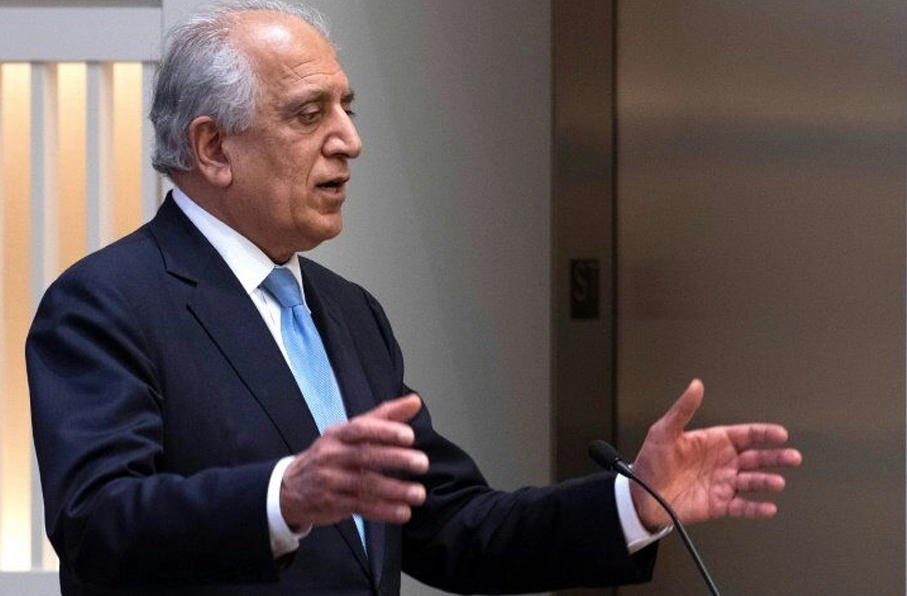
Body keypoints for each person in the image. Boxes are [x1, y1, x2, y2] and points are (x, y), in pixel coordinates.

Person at [26, 1, 802, 595]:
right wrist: (283, 497)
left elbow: (450, 525)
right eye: (309, 114)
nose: (349, 140)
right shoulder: (105, 303)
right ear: (212, 148)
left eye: (346, 108)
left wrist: (632, 505)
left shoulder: (349, 312)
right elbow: (97, 526)